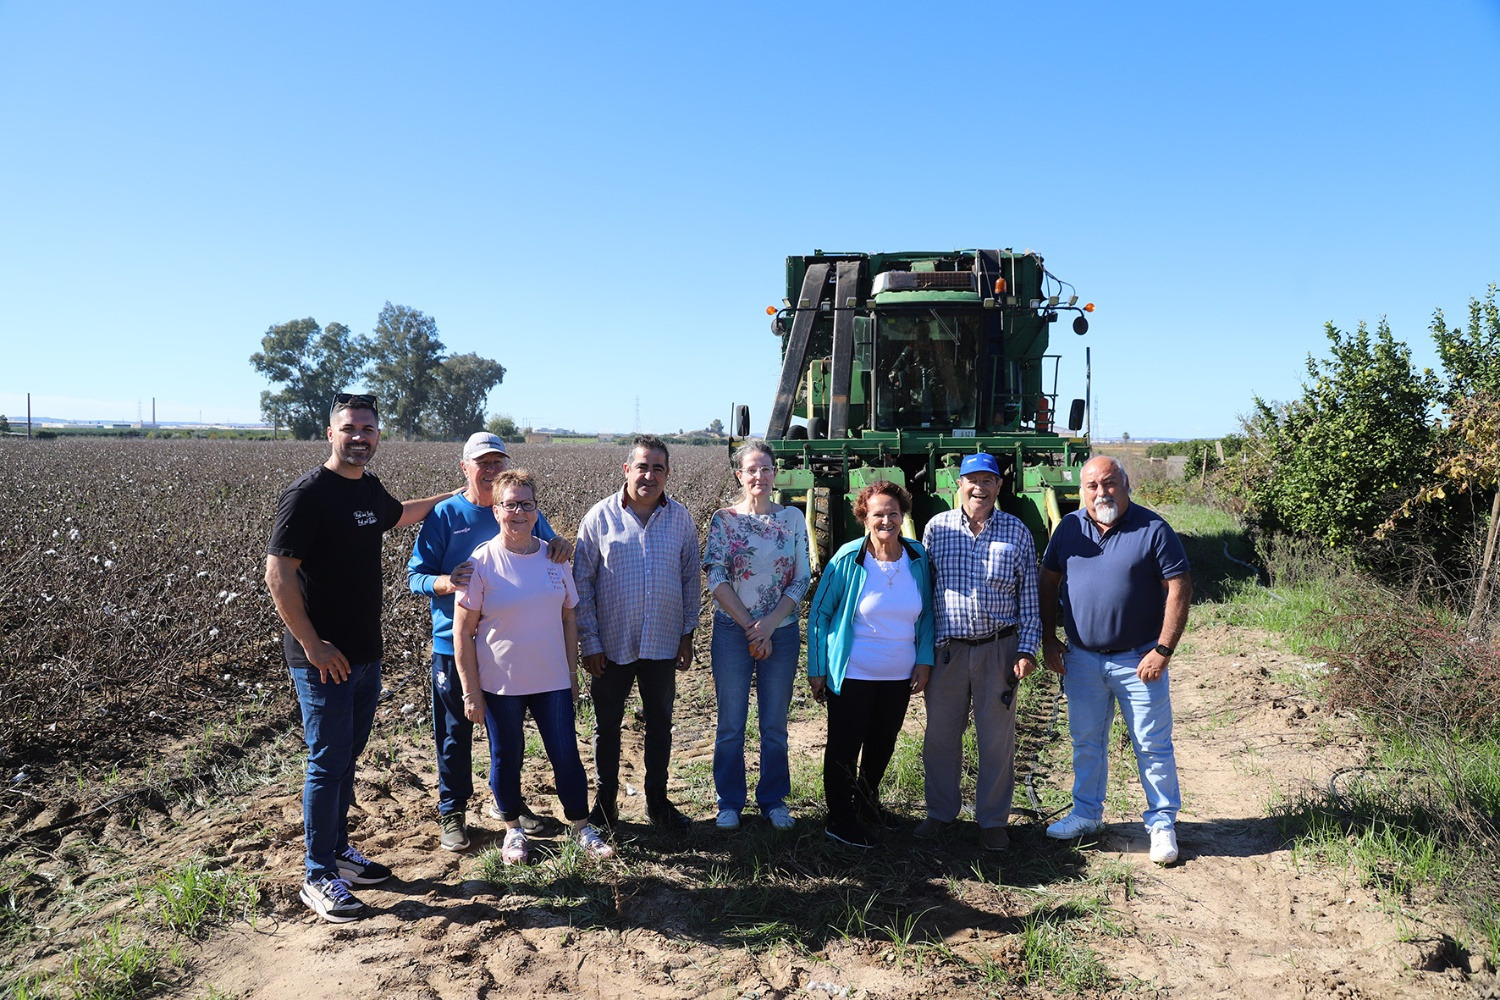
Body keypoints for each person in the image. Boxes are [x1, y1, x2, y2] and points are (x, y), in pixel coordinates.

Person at [265, 392, 458, 923]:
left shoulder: (369, 489)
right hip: (322, 657)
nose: (359, 437)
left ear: (378, 436)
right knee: (326, 762)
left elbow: (400, 516)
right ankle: (317, 873)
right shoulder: (306, 495)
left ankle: (339, 851)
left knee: (347, 756)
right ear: (331, 433)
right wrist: (312, 643)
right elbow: (278, 576)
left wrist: (462, 494)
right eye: (349, 428)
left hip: (365, 653)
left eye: (368, 429)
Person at [406, 432, 573, 852]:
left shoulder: (518, 508)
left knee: (509, 741)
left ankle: (512, 810)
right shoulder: (445, 514)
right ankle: (453, 811)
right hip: (454, 643)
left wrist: (561, 544)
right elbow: (415, 576)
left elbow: (548, 546)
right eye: (484, 462)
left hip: (512, 650)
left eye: (498, 461)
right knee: (454, 733)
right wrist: (445, 581)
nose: (492, 468)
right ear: (466, 467)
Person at [452, 470, 615, 865]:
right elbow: (462, 631)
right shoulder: (480, 563)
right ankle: (512, 831)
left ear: (536, 509)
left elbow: (568, 617)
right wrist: (471, 691)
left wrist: (571, 675)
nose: (519, 512)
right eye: (510, 504)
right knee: (506, 754)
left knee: (565, 753)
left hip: (551, 679)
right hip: (500, 683)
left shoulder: (554, 557)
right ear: (497, 511)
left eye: (526, 504)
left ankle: (580, 827)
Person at [1040, 455, 1191, 865]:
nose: (1101, 493)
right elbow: (1048, 579)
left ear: (1125, 486)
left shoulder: (1153, 528)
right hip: (1082, 660)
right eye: (1092, 485)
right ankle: (1087, 814)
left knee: (1152, 746)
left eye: (1109, 484)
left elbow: (1178, 586)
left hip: (1138, 660)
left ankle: (1161, 825)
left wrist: (1162, 649)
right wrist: (1048, 638)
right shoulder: (1069, 528)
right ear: (1082, 490)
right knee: (1087, 742)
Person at [574, 434, 702, 830]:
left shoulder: (680, 518)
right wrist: (590, 642)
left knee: (660, 723)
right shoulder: (599, 517)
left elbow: (689, 580)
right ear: (626, 470)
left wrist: (686, 635)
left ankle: (658, 803)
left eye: (657, 468)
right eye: (642, 466)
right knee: (606, 726)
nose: (649, 475)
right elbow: (582, 584)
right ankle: (606, 806)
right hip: (610, 645)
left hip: (663, 641)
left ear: (667, 474)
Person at [917, 452, 1041, 851]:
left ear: (999, 487)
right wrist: (922, 651)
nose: (979, 488)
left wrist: (1026, 650)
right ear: (959, 483)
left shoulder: (1017, 532)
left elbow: (1030, 599)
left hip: (998, 650)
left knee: (995, 741)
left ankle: (991, 822)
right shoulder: (937, 530)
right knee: (940, 737)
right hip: (947, 652)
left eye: (988, 480)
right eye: (972, 480)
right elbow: (924, 593)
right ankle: (940, 813)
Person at [807, 480, 935, 849]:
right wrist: (817, 668)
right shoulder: (848, 559)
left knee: (882, 744)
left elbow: (926, 615)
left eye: (893, 513)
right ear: (864, 517)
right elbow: (820, 615)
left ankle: (865, 803)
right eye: (878, 513)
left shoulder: (917, 558)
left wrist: (923, 661)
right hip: (853, 672)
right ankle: (840, 818)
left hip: (899, 675)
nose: (887, 520)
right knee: (844, 747)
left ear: (903, 516)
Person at [701, 440, 811, 831]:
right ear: (739, 475)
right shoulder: (723, 520)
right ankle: (729, 801)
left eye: (766, 469)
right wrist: (751, 624)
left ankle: (773, 800)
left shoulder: (793, 519)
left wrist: (768, 625)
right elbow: (715, 574)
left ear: (775, 473)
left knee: (774, 724)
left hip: (780, 633)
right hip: (733, 632)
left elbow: (802, 577)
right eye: (751, 470)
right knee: (731, 722)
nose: (759, 476)